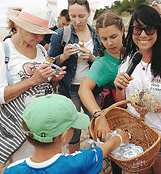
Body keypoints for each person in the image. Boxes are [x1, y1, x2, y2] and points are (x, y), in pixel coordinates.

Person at [113, 5, 161, 174]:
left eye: (149, 29)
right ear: (131, 32)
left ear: (158, 31)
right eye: (138, 29)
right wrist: (118, 86)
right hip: (136, 134)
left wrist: (153, 107)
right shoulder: (127, 63)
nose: (143, 35)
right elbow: (121, 102)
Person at [0, 7, 66, 166]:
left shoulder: (41, 49)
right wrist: (33, 80)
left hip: (45, 123)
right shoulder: (2, 50)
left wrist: (53, 80)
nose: (40, 37)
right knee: (26, 166)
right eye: (34, 32)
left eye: (43, 32)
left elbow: (43, 87)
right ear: (19, 26)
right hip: (19, 128)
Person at [3, 94, 129, 174]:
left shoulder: (12, 169)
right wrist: (120, 137)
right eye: (73, 127)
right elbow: (105, 148)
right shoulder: (79, 161)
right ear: (64, 137)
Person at [49, 0, 101, 153]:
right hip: (69, 88)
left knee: (96, 124)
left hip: (91, 88)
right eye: (73, 16)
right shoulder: (61, 34)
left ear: (89, 14)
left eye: (81, 16)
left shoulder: (96, 35)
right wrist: (64, 56)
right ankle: (74, 160)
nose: (77, 21)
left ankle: (96, 158)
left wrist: (92, 58)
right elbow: (49, 61)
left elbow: (103, 62)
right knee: (73, 128)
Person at [78, 11, 125, 174]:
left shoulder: (133, 48)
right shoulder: (102, 62)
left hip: (140, 108)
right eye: (104, 39)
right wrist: (98, 115)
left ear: (123, 31)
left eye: (113, 36)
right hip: (117, 111)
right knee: (117, 156)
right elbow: (83, 89)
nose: (110, 43)